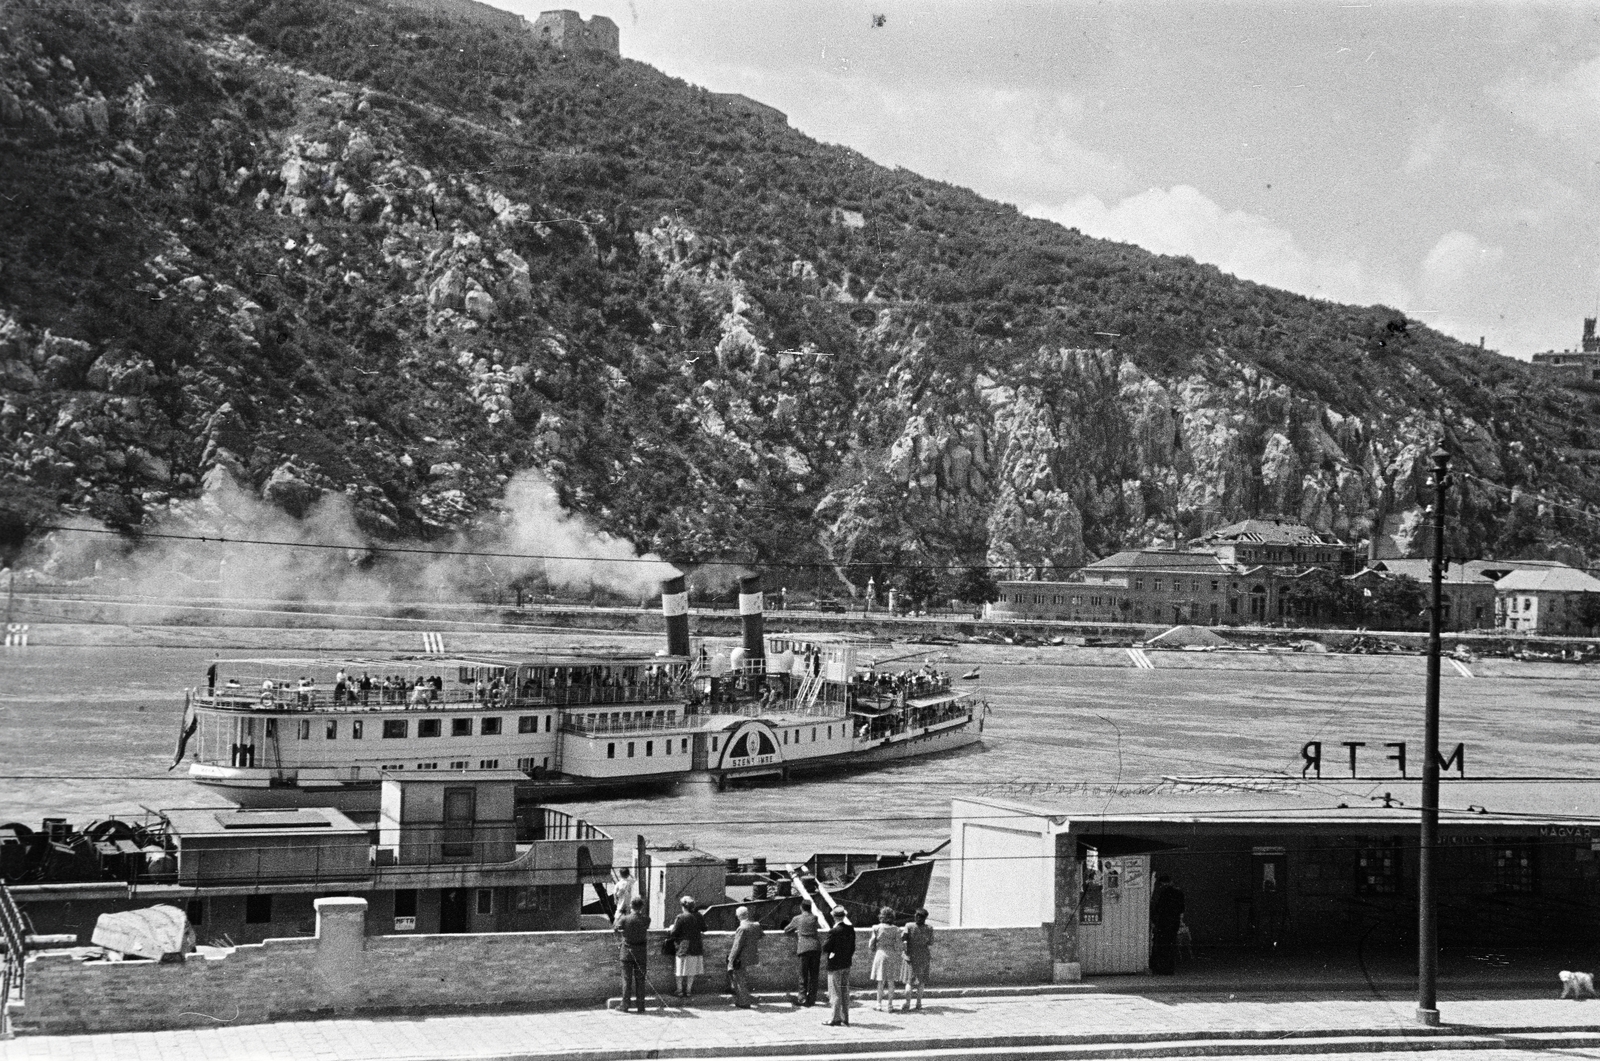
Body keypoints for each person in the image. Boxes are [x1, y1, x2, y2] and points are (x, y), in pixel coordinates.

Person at [783, 900, 823, 1006]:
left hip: (804, 948)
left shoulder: (797, 918)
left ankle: (802, 998)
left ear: (801, 907)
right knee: (814, 975)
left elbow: (787, 930)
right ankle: (812, 999)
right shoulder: (815, 918)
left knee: (803, 974)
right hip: (816, 947)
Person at [613, 896, 650, 1014]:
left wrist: (619, 915)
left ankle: (625, 1005)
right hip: (641, 953)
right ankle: (641, 1006)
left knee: (626, 980)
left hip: (627, 952)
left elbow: (616, 928)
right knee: (641, 980)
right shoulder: (646, 919)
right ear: (642, 907)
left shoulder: (625, 919)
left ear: (631, 906)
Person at [822, 907, 855, 1026]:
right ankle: (845, 1017)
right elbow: (852, 948)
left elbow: (825, 947)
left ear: (834, 916)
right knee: (845, 991)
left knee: (835, 992)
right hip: (846, 964)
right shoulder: (850, 929)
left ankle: (835, 1018)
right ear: (844, 916)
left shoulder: (833, 931)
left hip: (835, 965)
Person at [669, 895, 706, 998]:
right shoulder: (698, 916)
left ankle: (679, 990)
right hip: (696, 946)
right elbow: (704, 928)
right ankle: (688, 990)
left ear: (683, 906)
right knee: (691, 971)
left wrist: (672, 927)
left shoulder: (681, 917)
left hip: (683, 947)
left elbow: (673, 933)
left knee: (680, 970)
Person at [868, 906, 905, 1011]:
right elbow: (899, 945)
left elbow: (872, 943)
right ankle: (890, 1005)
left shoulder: (876, 928)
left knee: (880, 981)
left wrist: (873, 948)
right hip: (891, 955)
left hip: (880, 954)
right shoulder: (896, 929)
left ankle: (878, 1004)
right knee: (891, 981)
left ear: (881, 916)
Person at [1149, 873, 1186, 975]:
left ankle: (1160, 968)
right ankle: (1169, 968)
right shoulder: (1179, 893)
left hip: (1163, 922)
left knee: (1161, 945)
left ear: (1161, 883)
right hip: (1174, 921)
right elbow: (1182, 909)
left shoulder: (1162, 893)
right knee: (1171, 944)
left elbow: (1158, 908)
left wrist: (1154, 920)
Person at [727, 905, 763, 1008]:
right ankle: (740, 996)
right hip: (752, 955)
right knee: (741, 977)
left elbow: (736, 946)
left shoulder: (741, 928)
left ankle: (744, 1002)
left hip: (741, 957)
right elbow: (760, 936)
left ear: (738, 916)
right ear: (747, 914)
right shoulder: (756, 925)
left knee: (739, 978)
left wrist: (730, 960)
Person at [901, 908, 933, 1011]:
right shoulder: (929, 928)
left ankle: (907, 1004)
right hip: (924, 956)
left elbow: (903, 938)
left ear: (916, 916)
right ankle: (919, 1004)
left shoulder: (909, 926)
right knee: (921, 981)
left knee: (909, 982)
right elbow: (931, 942)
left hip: (911, 956)